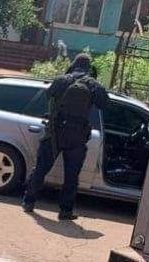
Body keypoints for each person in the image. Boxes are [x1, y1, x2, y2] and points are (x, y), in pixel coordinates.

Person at [23, 53, 109, 221]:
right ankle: (65, 211)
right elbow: (104, 104)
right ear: (89, 68)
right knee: (71, 175)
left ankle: (29, 201)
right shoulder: (92, 84)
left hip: (55, 132)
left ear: (73, 64)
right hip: (77, 135)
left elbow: (48, 96)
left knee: (41, 168)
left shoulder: (61, 80)